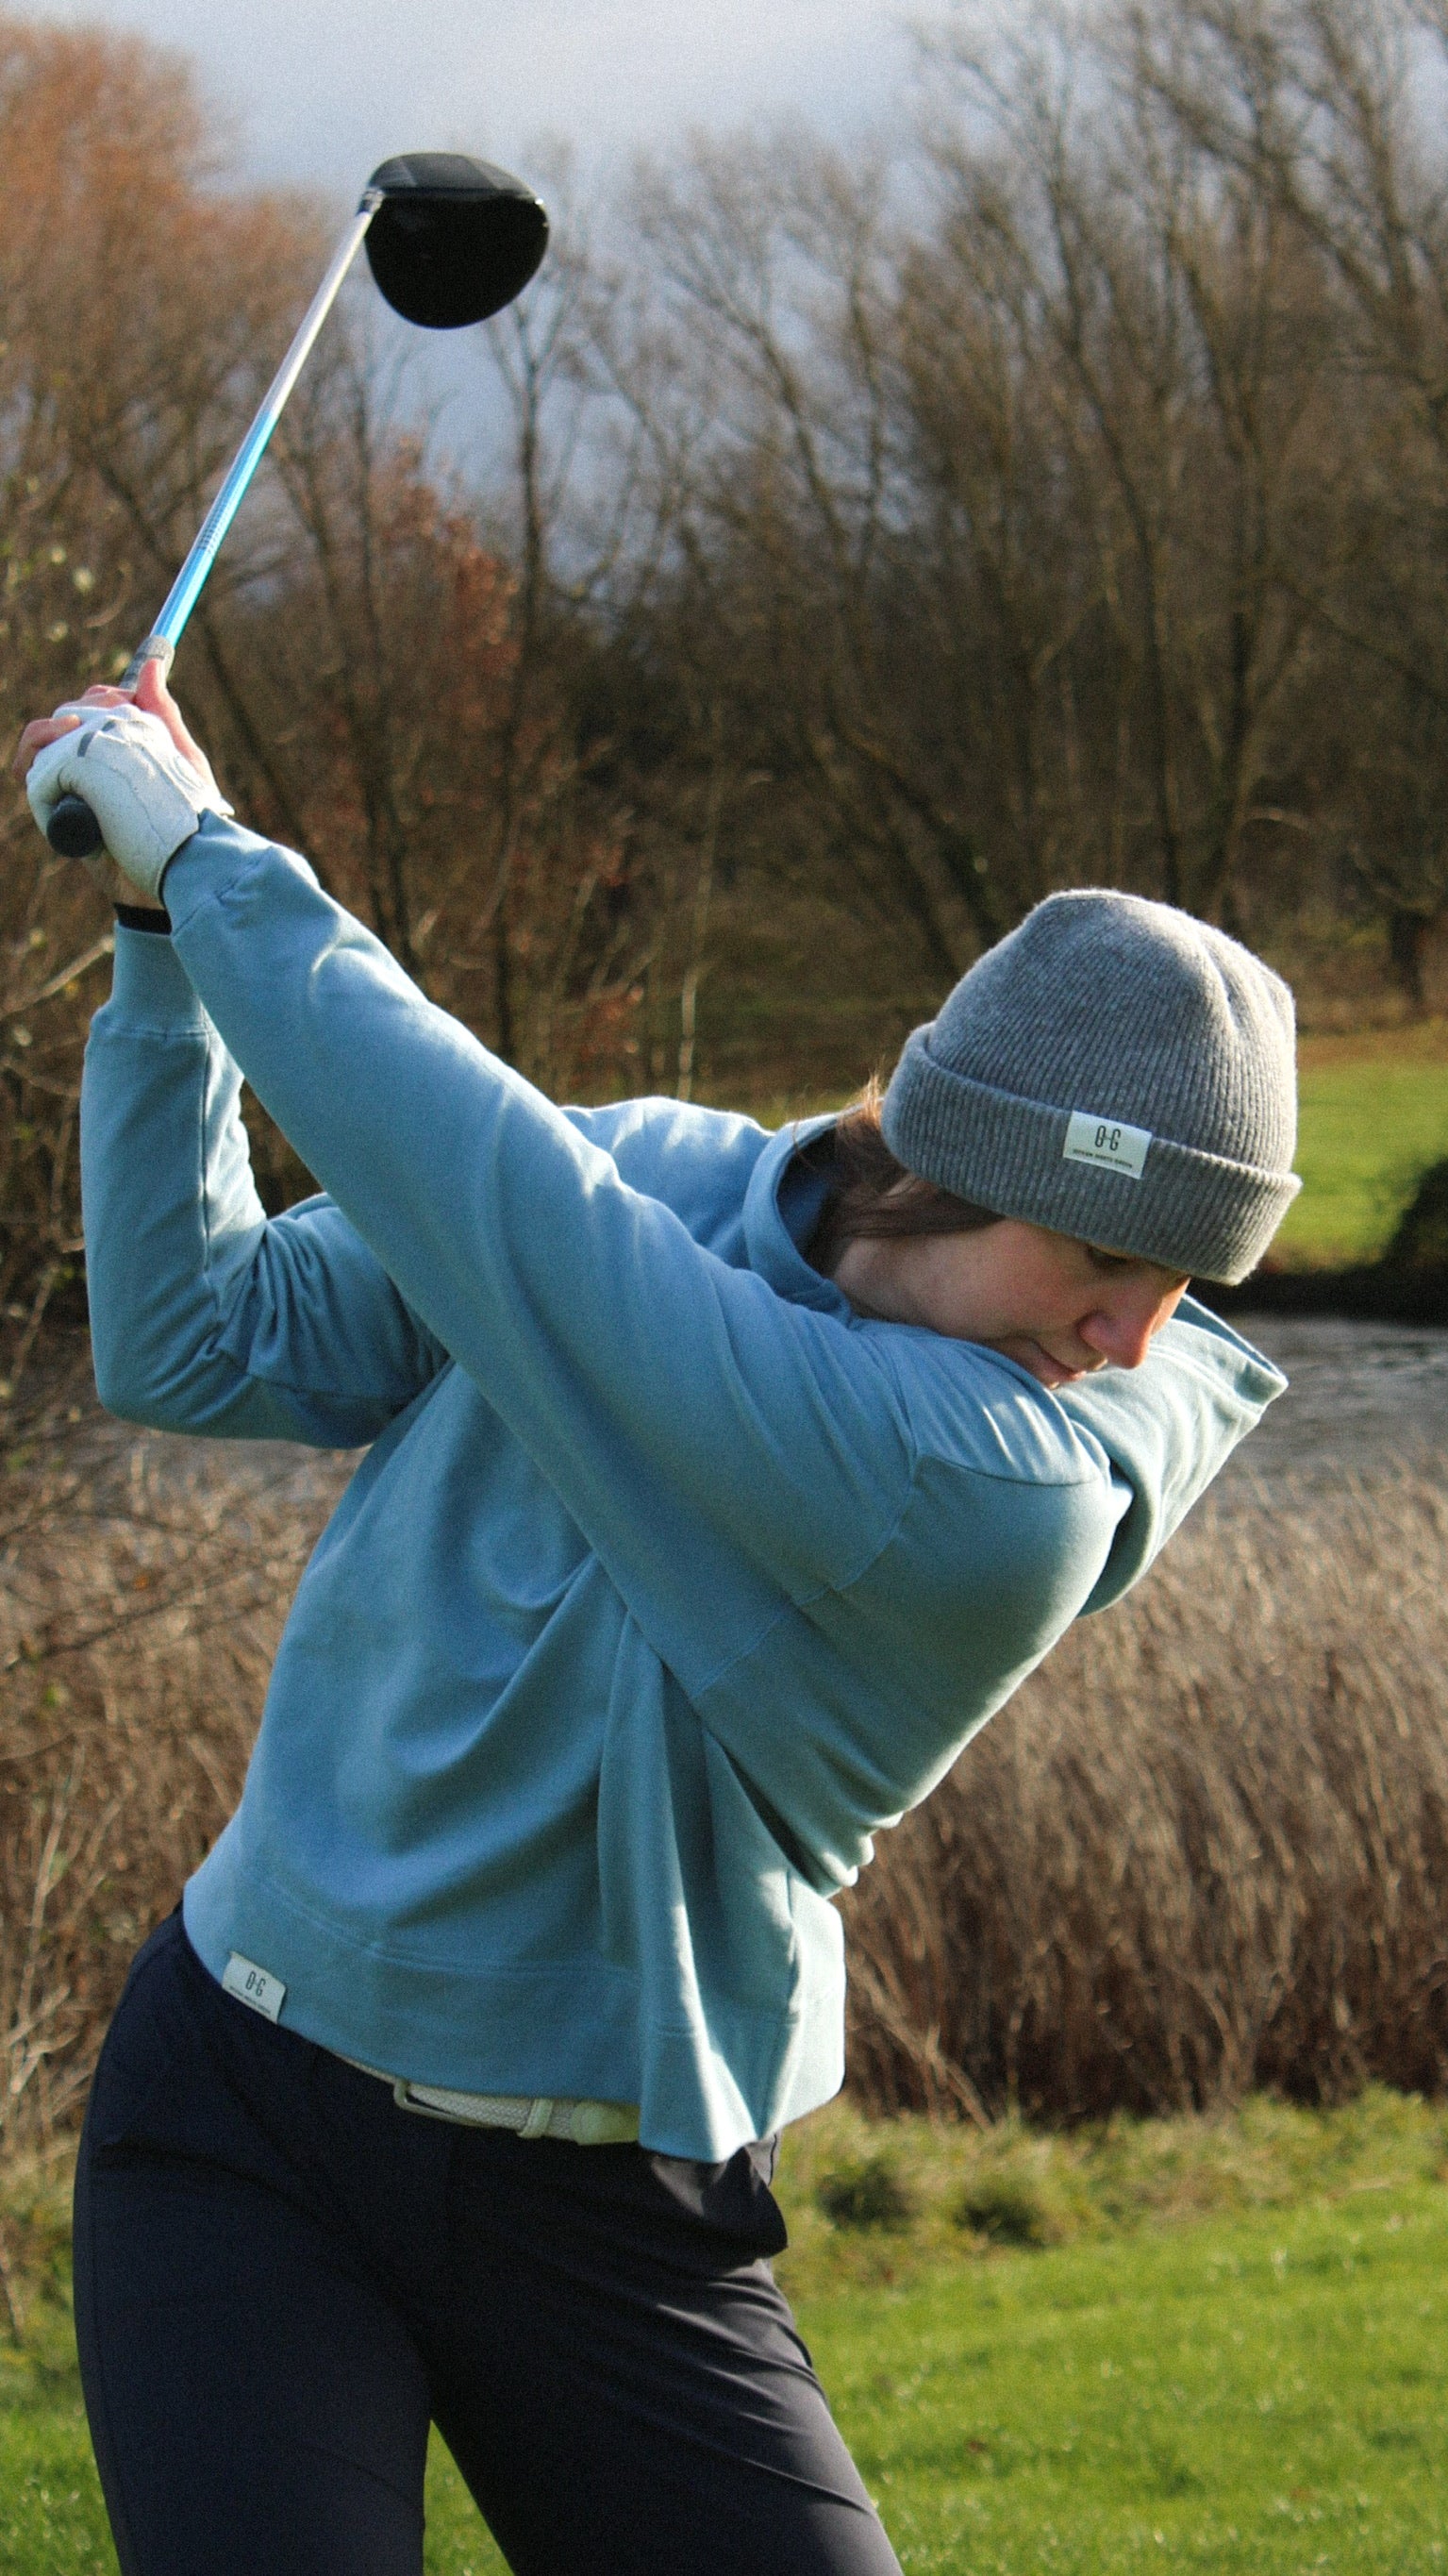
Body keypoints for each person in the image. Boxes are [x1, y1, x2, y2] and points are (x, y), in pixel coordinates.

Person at [16, 672, 1298, 2576]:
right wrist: (159, 947)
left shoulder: (1006, 1486)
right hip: (249, 2107)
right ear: (957, 1157)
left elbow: (521, 1225)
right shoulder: (661, 1172)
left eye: (1186, 1290)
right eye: (1114, 1261)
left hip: (614, 2216)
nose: (1134, 1342)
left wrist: (210, 860)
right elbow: (191, 1335)